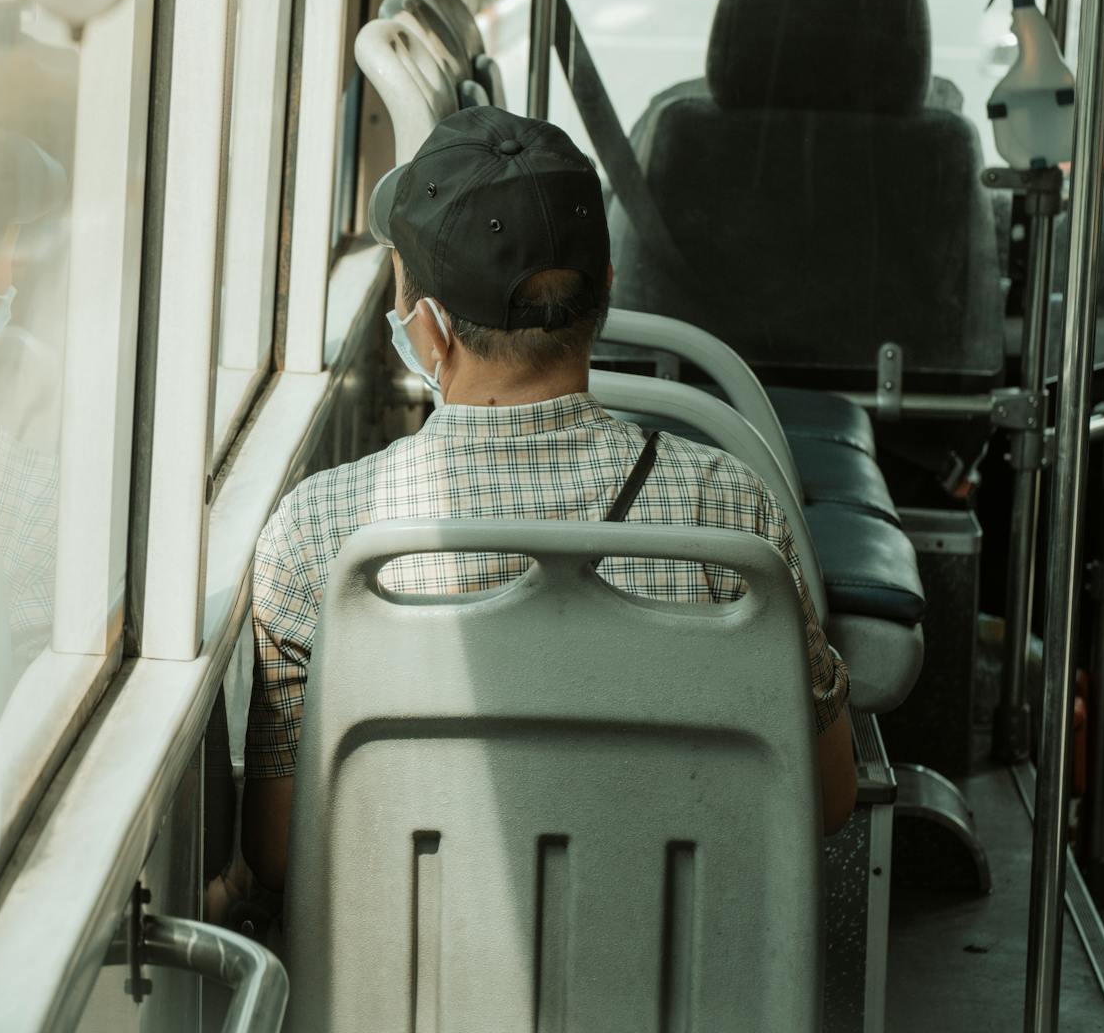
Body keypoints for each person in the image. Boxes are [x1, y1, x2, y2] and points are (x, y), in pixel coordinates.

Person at [224, 106, 856, 915]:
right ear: (605, 298)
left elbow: (281, 852)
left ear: (427, 329)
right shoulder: (726, 507)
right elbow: (828, 797)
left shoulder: (322, 536)